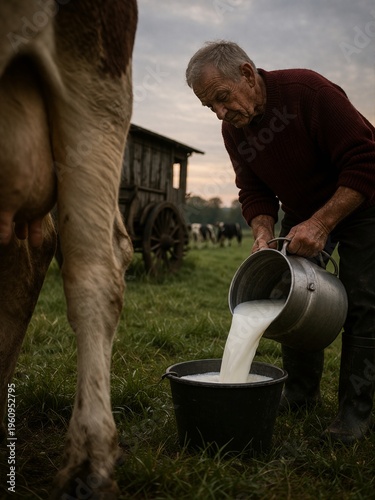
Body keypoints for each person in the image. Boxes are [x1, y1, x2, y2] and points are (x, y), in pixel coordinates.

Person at [186, 40, 375, 444]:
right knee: (290, 293)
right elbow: (253, 190)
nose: (221, 113)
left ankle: (354, 412)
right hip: (303, 211)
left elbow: (366, 160)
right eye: (211, 107)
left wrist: (322, 224)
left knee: (362, 301)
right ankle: (302, 394)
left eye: (221, 98)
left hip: (363, 202)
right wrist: (262, 234)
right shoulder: (234, 130)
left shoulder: (310, 93)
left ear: (247, 74)